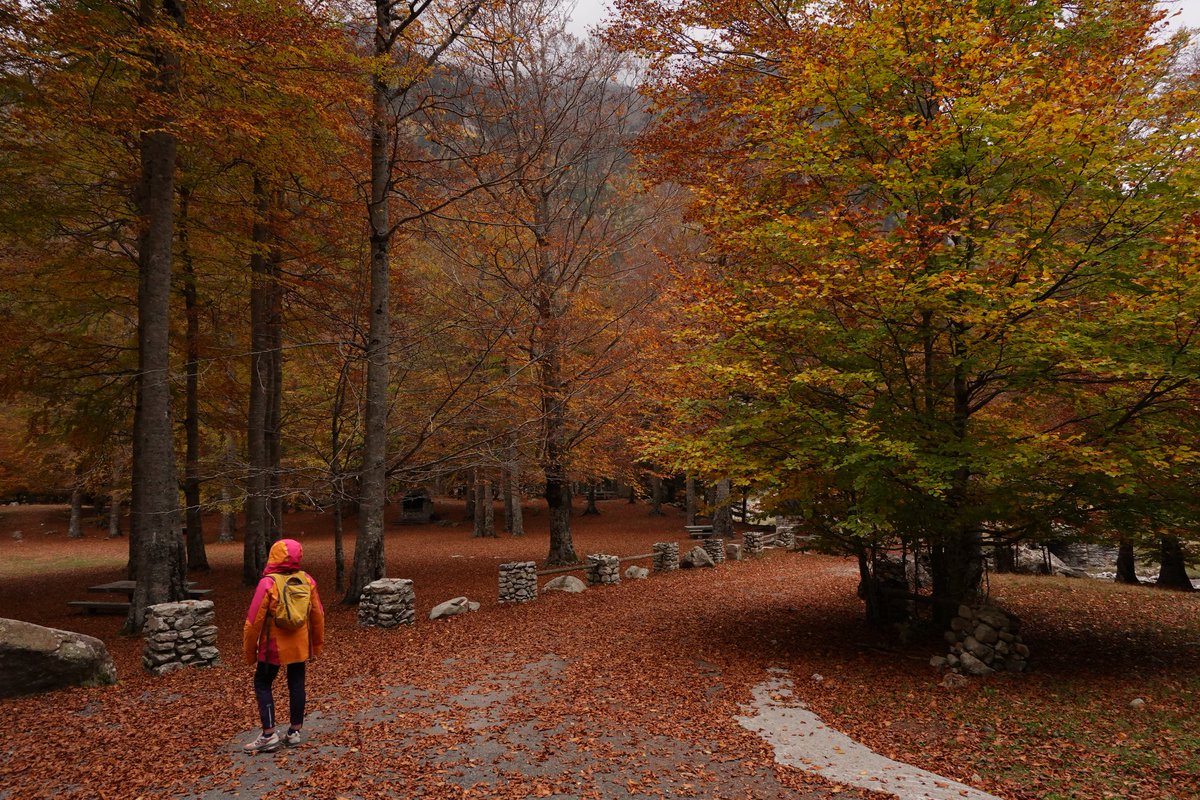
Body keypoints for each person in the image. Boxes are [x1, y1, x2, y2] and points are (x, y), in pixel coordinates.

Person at [242, 538, 325, 754]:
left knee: (262, 683)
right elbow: (318, 615)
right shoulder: (307, 580)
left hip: (273, 646)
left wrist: (250, 652)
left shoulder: (268, 583)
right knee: (297, 683)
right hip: (299, 646)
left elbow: (253, 621)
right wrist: (315, 646)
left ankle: (269, 734)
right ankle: (294, 731)